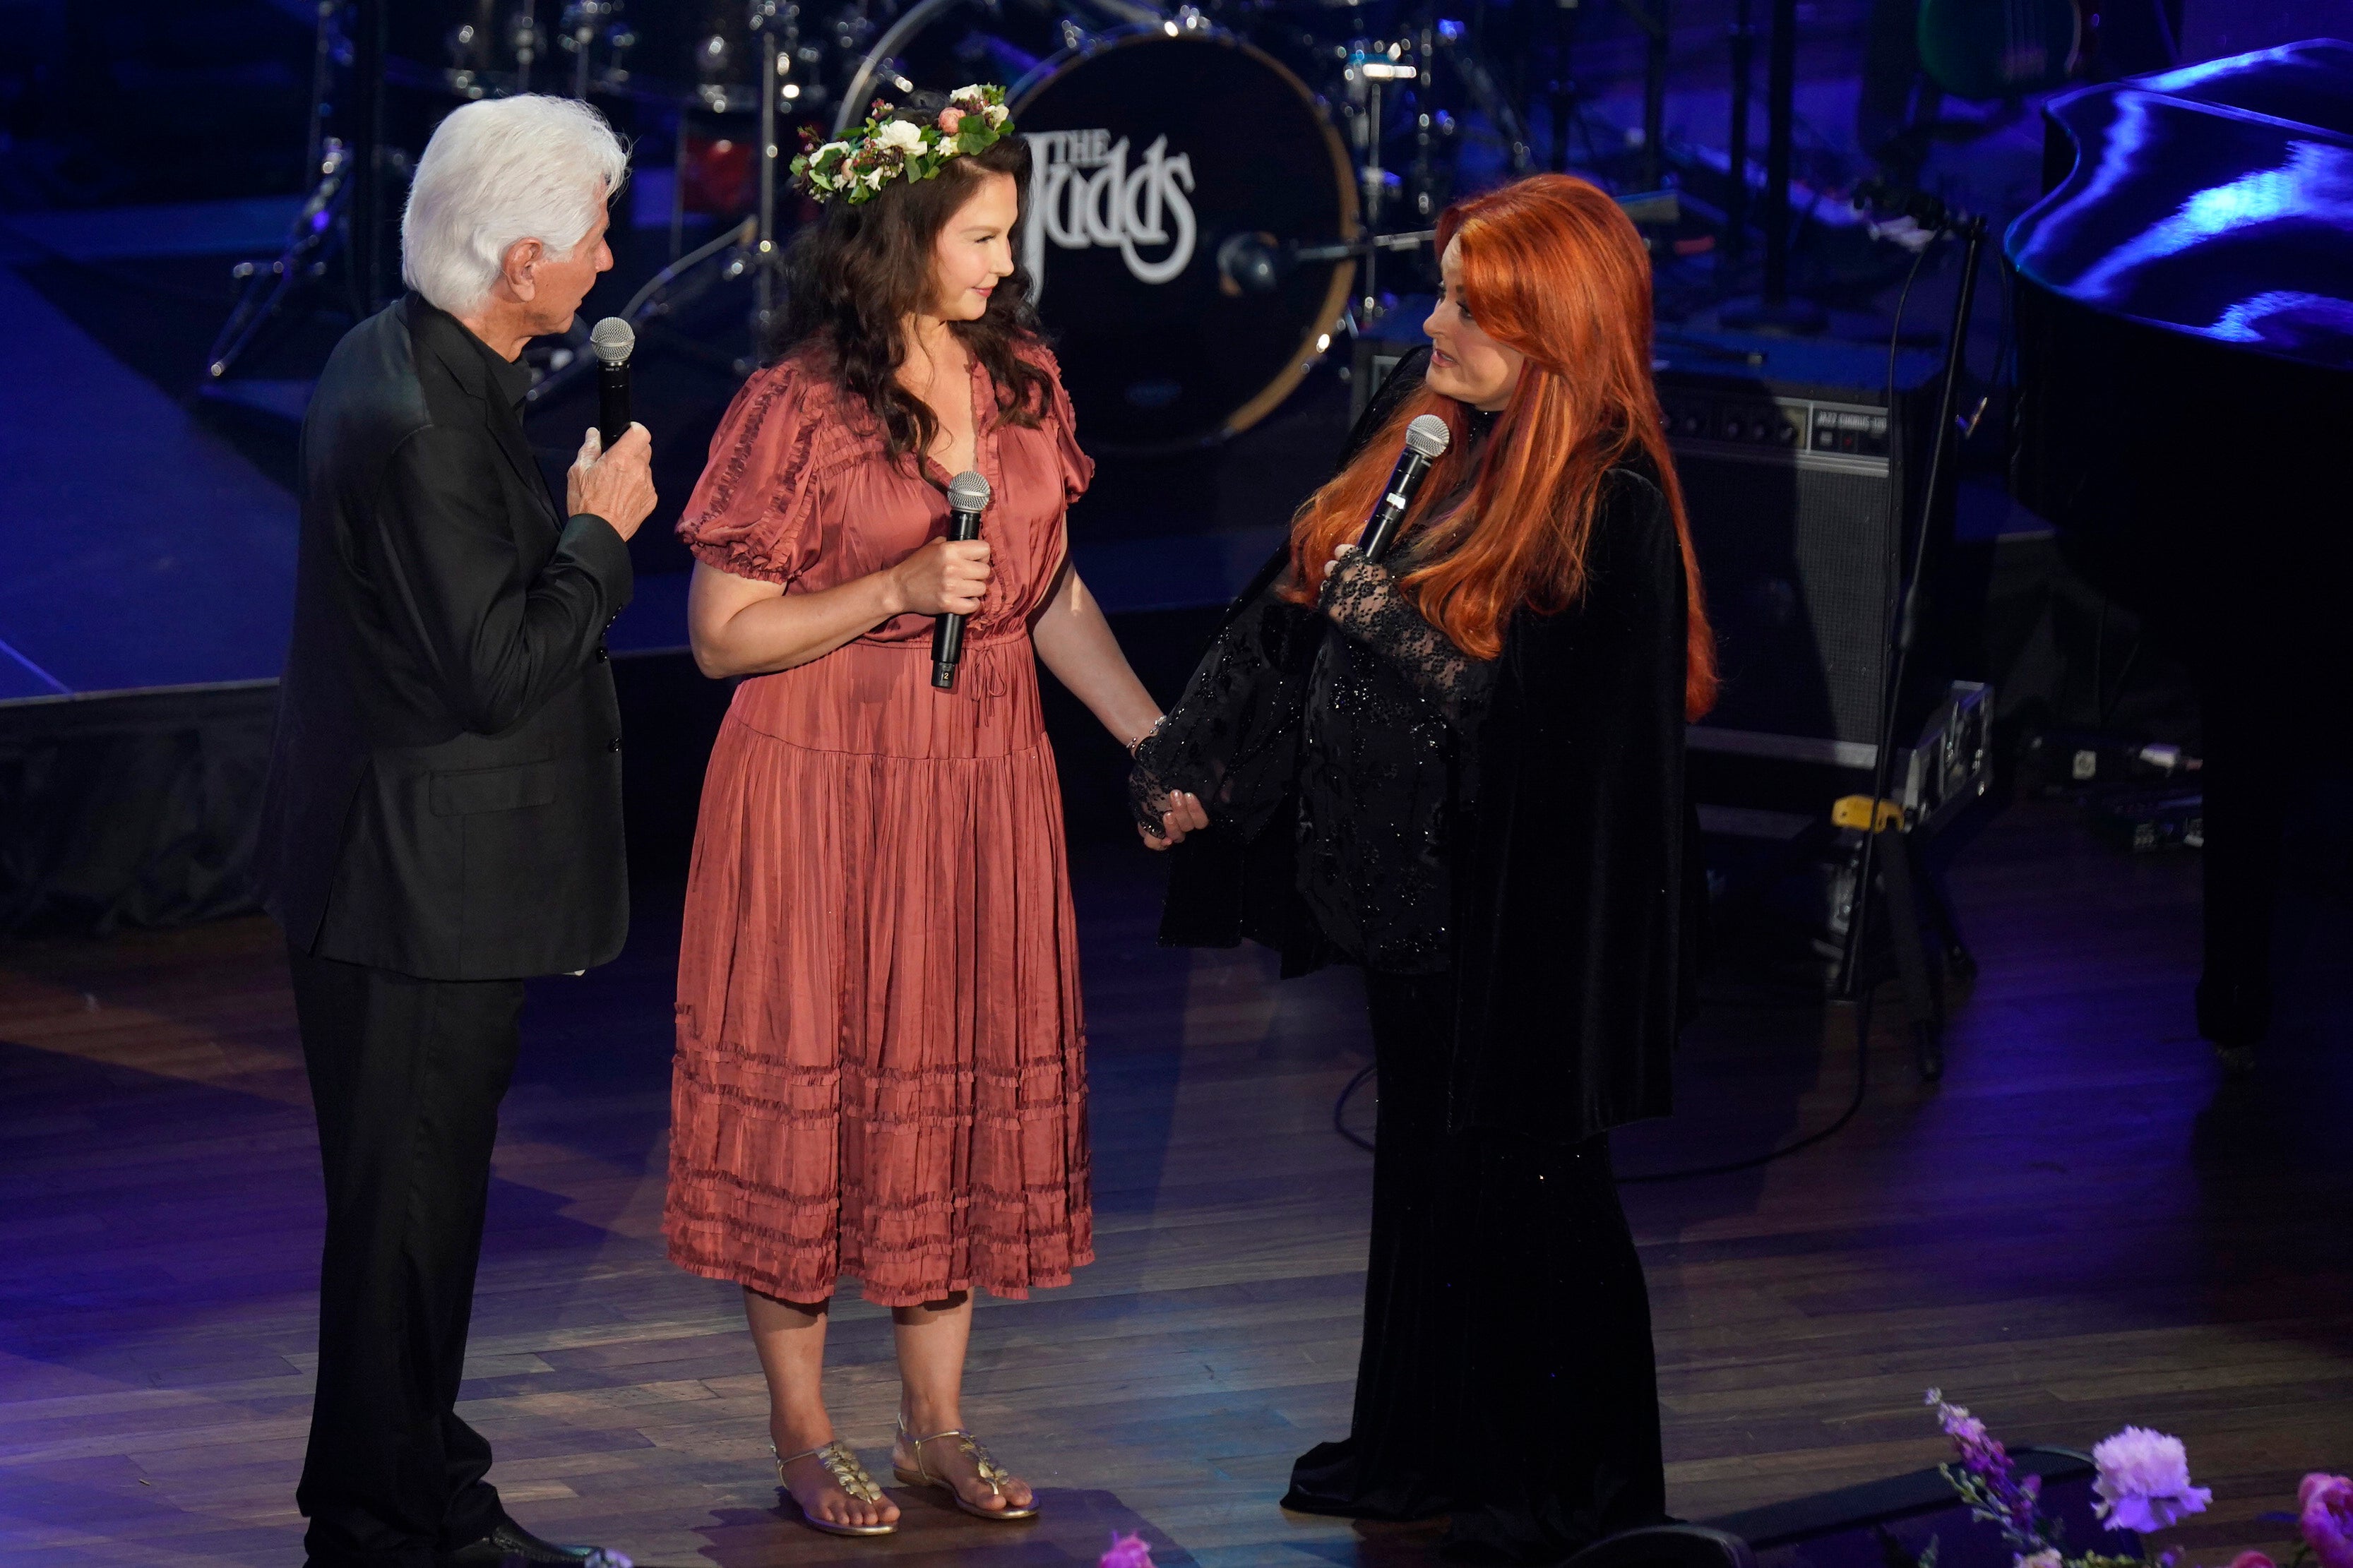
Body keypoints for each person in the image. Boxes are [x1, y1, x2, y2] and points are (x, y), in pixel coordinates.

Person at [1128, 172, 1717, 1563]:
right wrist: (1191, 757)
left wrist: (1391, 626)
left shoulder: (1609, 494)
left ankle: (1579, 1490)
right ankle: (1426, 1442)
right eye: (1443, 289)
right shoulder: (1434, 416)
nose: (1432, 322)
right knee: (1427, 1170)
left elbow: (1571, 756)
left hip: (1523, 920)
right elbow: (1292, 595)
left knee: (1536, 1191)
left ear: (1553, 326)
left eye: (1467, 303)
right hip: (1402, 889)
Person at [662, 85, 1165, 1538]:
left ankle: (937, 1422)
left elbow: (1044, 585)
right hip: (820, 775)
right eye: (983, 237)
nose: (1008, 262)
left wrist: (1147, 734)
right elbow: (718, 634)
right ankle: (806, 1431)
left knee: (946, 1080)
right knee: (822, 1083)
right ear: (903, 243)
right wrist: (887, 590)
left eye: (1013, 233)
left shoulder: (1025, 383)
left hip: (979, 774)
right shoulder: (798, 407)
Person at [256, 95, 656, 1568]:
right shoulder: (422, 419)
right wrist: (602, 534)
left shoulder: (405, 352)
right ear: (515, 264)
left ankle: (418, 1486)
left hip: (392, 874)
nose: (610, 260)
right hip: (411, 895)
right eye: (591, 237)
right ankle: (387, 1522)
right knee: (406, 1220)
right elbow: (491, 668)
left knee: (410, 1216)